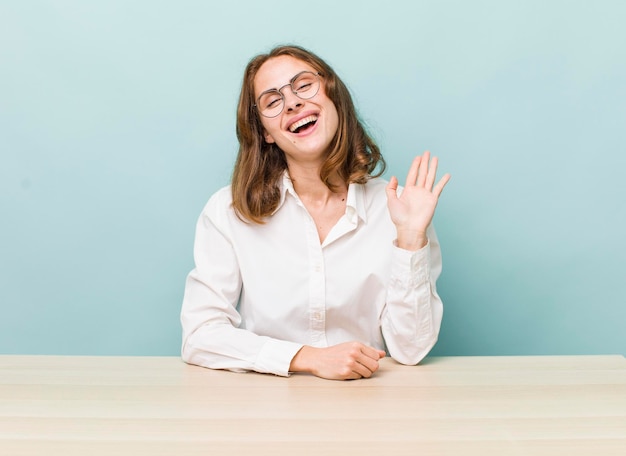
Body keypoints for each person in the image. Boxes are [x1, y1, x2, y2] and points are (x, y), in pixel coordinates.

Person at [180, 44, 450, 380]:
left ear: (333, 96)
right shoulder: (228, 212)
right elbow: (199, 336)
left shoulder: (397, 210)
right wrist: (305, 358)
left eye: (303, 85)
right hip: (266, 410)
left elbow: (411, 350)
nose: (292, 102)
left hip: (367, 407)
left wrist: (411, 238)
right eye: (272, 101)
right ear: (265, 132)